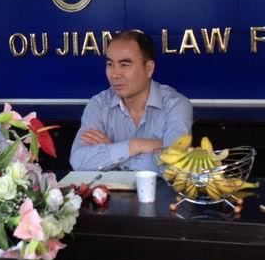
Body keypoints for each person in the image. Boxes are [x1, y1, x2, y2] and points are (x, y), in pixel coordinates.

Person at [69, 30, 193, 172]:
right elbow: (78, 160)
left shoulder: (176, 105)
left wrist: (114, 152)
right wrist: (134, 145)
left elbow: (174, 164)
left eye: (125, 64)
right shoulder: (99, 104)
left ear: (149, 69)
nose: (115, 74)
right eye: (110, 64)